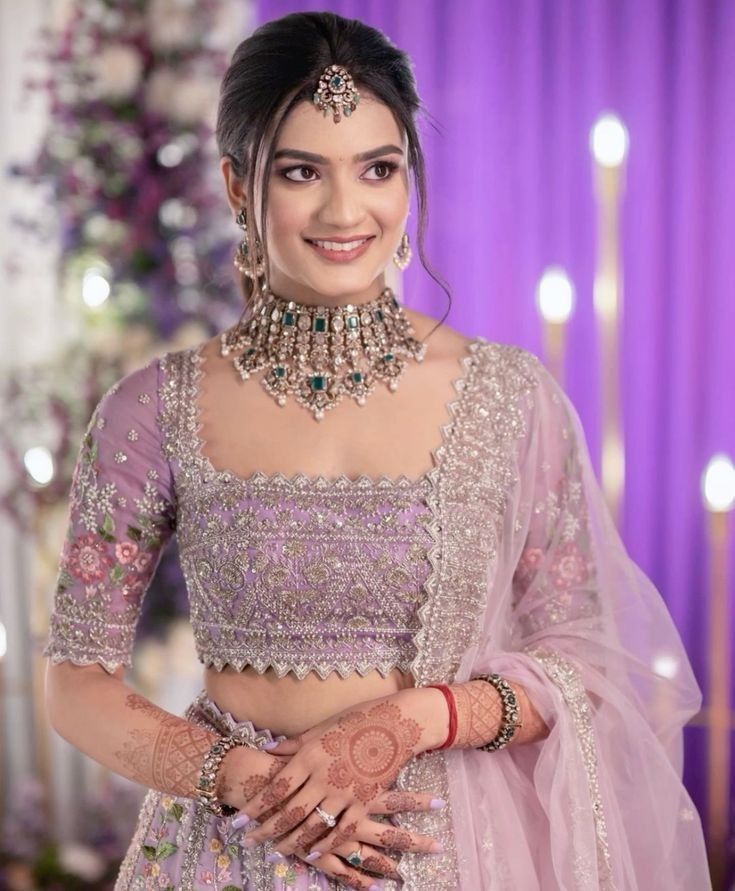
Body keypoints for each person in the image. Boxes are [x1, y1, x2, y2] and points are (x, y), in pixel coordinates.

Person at [42, 10, 711, 891]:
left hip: (455, 849)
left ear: (408, 180)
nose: (344, 210)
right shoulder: (152, 409)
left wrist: (406, 722)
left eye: (378, 168)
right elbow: (74, 682)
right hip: (231, 848)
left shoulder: (508, 398)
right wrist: (252, 785)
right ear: (237, 185)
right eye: (300, 172)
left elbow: (587, 664)